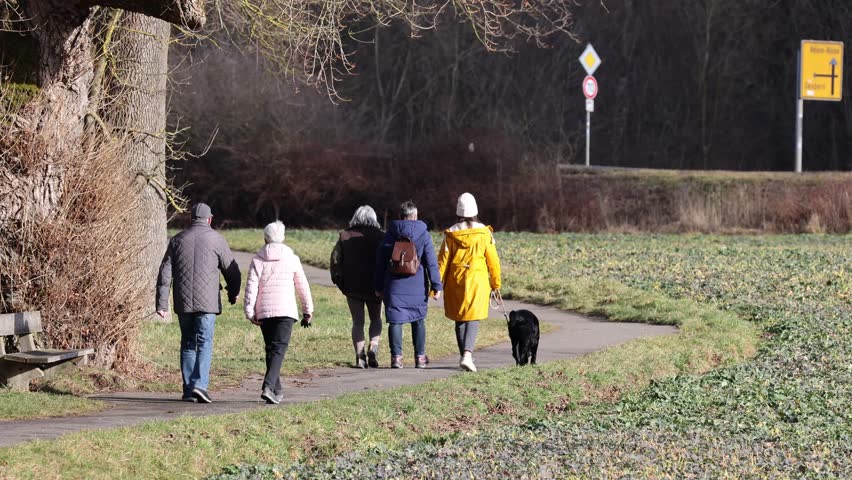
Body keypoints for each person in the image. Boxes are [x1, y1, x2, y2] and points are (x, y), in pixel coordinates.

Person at [156, 202, 241, 403]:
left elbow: (165, 272)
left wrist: (161, 303)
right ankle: (200, 385)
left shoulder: (177, 240)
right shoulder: (217, 239)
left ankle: (188, 389)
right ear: (209, 219)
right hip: (208, 303)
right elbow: (232, 270)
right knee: (204, 342)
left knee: (187, 343)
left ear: (191, 218)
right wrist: (233, 292)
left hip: (183, 301)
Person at [244, 221, 314, 405]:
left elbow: (251, 286)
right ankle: (268, 386)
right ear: (283, 238)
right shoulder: (292, 258)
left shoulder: (258, 260)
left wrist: (249, 311)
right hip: (285, 310)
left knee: (271, 350)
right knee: (278, 349)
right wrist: (308, 310)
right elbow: (303, 286)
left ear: (265, 238)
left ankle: (276, 390)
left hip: (264, 311)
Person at [437, 193, 501, 372]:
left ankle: (465, 355)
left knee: (460, 318)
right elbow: (493, 261)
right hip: (478, 280)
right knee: (473, 317)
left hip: (455, 280)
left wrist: (435, 286)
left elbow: (443, 261)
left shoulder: (451, 234)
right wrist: (496, 283)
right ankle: (467, 354)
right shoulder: (484, 232)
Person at [374, 200, 443, 369]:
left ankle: (396, 358)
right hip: (417, 285)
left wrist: (378, 286)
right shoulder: (424, 234)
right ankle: (420, 358)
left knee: (395, 321)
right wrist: (436, 285)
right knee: (418, 320)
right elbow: (431, 262)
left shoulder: (390, 233)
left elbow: (381, 262)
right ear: (416, 216)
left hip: (394, 284)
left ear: (400, 216)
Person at [330, 206, 385, 368]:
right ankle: (373, 346)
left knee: (357, 322)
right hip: (374, 286)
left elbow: (335, 261)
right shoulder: (380, 236)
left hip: (352, 287)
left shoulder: (344, 235)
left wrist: (339, 282)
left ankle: (360, 356)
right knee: (376, 318)